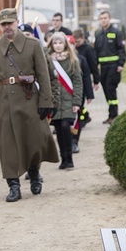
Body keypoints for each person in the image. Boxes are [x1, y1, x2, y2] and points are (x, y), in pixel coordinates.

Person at [0, 8, 59, 202]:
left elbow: (43, 75)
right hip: (4, 102)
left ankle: (34, 173)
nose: (7, 27)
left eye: (10, 23)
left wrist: (46, 101)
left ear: (17, 22)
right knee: (7, 145)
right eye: (3, 24)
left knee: (35, 141)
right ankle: (13, 185)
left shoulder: (33, 45)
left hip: (29, 100)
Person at [46, 32, 83, 169]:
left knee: (65, 127)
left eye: (60, 42)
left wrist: (76, 102)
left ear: (65, 44)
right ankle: (63, 158)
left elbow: (78, 82)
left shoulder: (73, 60)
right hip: (55, 102)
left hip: (68, 101)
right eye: (55, 43)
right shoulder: (48, 60)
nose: (58, 45)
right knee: (58, 130)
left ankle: (70, 158)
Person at [94, 11, 126, 124]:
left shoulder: (116, 32)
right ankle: (111, 114)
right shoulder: (98, 34)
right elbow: (96, 52)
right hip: (103, 68)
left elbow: (121, 49)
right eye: (101, 18)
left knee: (110, 89)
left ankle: (114, 115)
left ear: (109, 19)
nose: (103, 20)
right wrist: (94, 68)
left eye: (105, 18)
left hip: (113, 67)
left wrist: (120, 64)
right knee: (106, 91)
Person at [72, 29, 99, 153]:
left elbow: (91, 68)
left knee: (79, 111)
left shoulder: (86, 51)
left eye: (77, 42)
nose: (76, 45)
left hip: (80, 88)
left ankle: (83, 120)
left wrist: (96, 81)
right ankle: (85, 118)